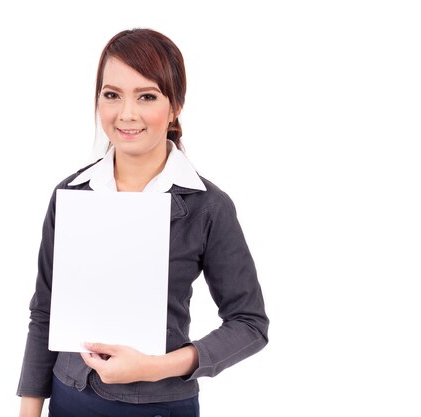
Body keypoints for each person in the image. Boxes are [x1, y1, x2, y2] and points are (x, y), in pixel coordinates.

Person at [17, 28, 269, 417]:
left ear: (175, 106)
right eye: (112, 94)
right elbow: (45, 312)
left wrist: (157, 367)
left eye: (147, 96)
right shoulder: (71, 194)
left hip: (160, 407)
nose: (126, 113)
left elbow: (249, 324)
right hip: (68, 401)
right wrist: (29, 412)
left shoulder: (208, 207)